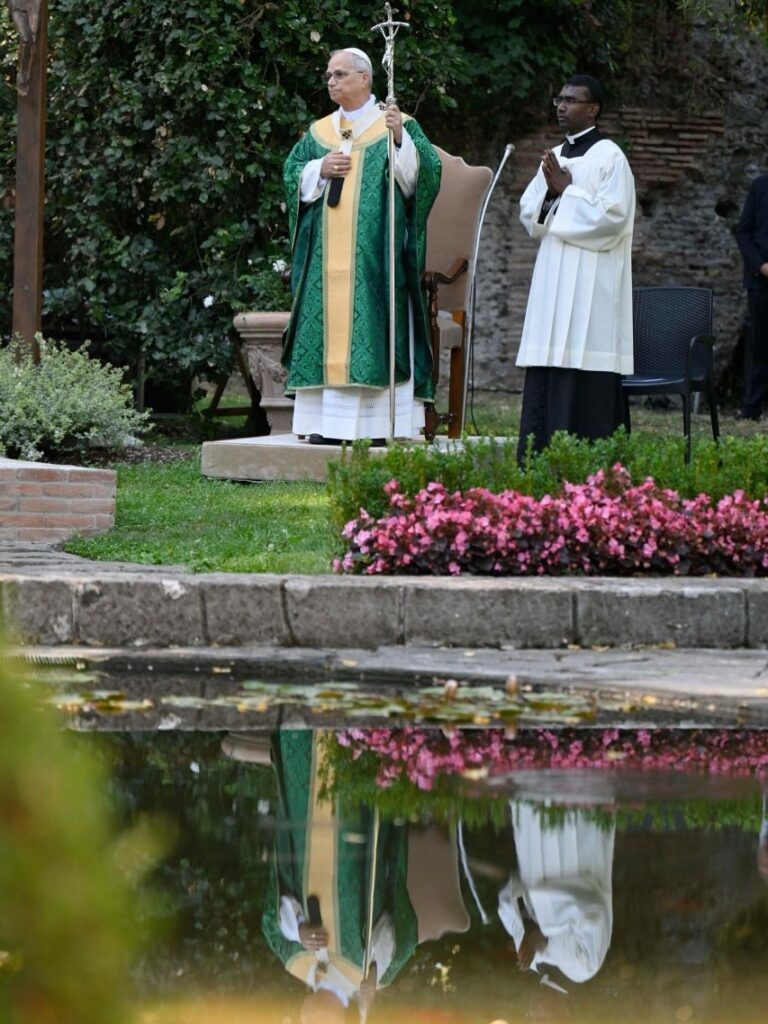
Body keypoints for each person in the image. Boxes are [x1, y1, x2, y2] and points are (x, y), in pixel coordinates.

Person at [281, 47, 441, 445]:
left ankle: (380, 426)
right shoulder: (319, 133)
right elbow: (290, 174)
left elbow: (423, 179)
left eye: (339, 74)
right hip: (324, 260)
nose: (331, 81)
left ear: (365, 78)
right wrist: (319, 168)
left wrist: (400, 140)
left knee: (373, 326)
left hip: (377, 258)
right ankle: (326, 425)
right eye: (328, 75)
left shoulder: (397, 124)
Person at [516, 74, 636, 464]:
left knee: (586, 368)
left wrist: (568, 191)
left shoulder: (611, 158)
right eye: (559, 99)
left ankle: (589, 464)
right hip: (553, 277)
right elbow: (529, 213)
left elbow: (612, 221)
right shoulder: (553, 156)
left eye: (572, 100)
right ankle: (537, 460)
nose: (561, 107)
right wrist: (553, 191)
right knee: (549, 364)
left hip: (594, 283)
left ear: (594, 108)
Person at [497, 802, 615, 988]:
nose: (534, 1014)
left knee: (531, 795)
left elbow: (507, 899)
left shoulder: (530, 955)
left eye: (530, 1016)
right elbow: (593, 909)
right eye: (542, 1018)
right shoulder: (585, 966)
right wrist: (543, 934)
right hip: (580, 844)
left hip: (535, 843)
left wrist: (530, 927)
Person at [734, 172, 768, 421]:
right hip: (762, 280)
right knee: (760, 345)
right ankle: (751, 407)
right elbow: (743, 232)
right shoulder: (760, 186)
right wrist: (761, 265)